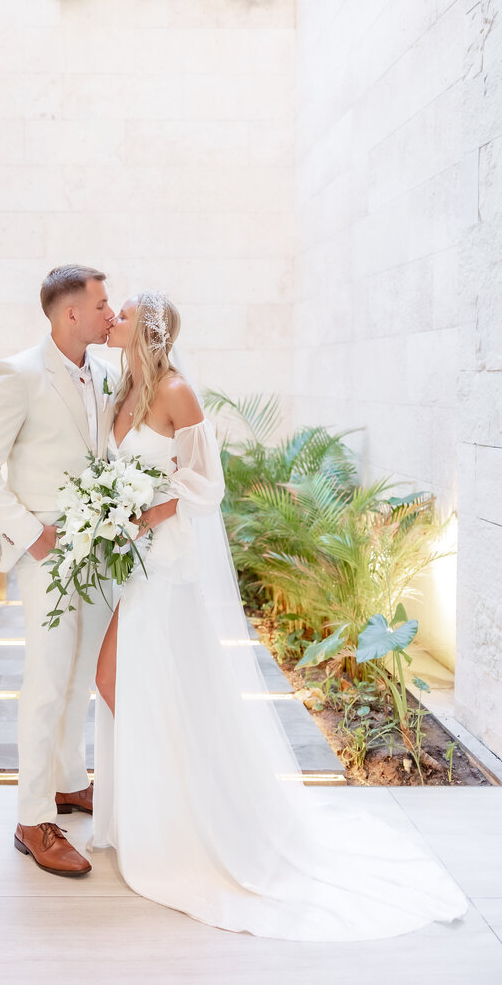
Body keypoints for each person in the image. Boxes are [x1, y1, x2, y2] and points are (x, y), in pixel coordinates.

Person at [91, 290, 468, 940]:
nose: (112, 319)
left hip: (169, 565)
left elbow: (207, 482)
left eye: (121, 312)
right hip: (138, 562)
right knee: (123, 682)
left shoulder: (176, 390)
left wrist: (146, 512)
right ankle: (164, 803)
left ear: (146, 327)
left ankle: (191, 809)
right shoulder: (121, 388)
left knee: (131, 679)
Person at [0, 264, 117, 878]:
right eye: (102, 305)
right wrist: (33, 534)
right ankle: (31, 817)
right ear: (69, 313)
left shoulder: (105, 373)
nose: (112, 314)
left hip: (101, 549)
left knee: (80, 676)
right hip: (47, 550)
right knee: (47, 680)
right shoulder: (17, 374)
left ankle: (68, 779)